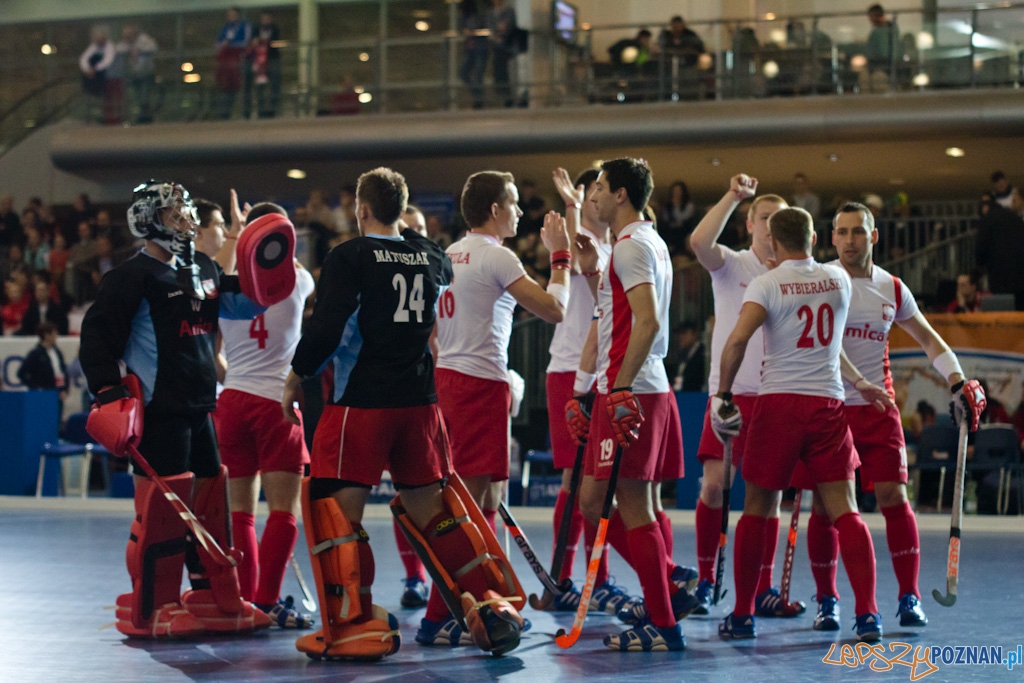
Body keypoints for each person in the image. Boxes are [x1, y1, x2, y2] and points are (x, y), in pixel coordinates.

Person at [282, 167, 528, 660]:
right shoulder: (430, 257)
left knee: (338, 517)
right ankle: (487, 603)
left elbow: (329, 328)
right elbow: (418, 249)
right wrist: (400, 226)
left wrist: (296, 376)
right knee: (437, 517)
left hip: (362, 402)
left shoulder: (349, 256)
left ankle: (353, 624)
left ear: (361, 209)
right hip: (420, 404)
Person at [79, 180, 273, 639]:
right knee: (164, 511)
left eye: (184, 212)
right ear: (147, 222)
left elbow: (247, 300)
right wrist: (109, 396)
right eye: (172, 215)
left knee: (210, 503)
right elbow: (97, 340)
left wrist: (260, 253)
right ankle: (154, 605)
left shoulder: (202, 267)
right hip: (159, 411)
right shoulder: (130, 278)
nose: (184, 221)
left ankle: (214, 597)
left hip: (202, 408)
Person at [794, 201, 987, 633]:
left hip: (879, 412)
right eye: (841, 232)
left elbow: (930, 340)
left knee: (895, 500)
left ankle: (909, 596)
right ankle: (828, 599)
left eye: (857, 232)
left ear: (874, 236)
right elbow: (818, 346)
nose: (848, 240)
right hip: (830, 409)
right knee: (824, 510)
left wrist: (958, 381)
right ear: (831, 238)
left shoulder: (893, 288)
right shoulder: (819, 280)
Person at [711, 206, 894, 642]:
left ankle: (741, 615)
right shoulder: (838, 281)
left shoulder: (766, 283)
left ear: (772, 242)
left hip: (779, 405)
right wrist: (861, 381)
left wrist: (722, 396)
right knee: (845, 510)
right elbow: (830, 346)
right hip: (828, 404)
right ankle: (868, 614)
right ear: (816, 240)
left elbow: (737, 342)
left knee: (757, 508)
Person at [425, 170, 582, 644]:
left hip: (448, 380)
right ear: (494, 210)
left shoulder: (446, 254)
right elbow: (554, 309)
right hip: (477, 386)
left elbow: (431, 334)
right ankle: (440, 617)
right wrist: (560, 254)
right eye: (513, 203)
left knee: (483, 503)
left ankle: (495, 604)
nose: (518, 211)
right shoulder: (496, 256)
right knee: (468, 508)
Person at [566, 158, 697, 652]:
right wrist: (587, 390)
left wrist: (617, 390)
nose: (592, 196)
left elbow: (647, 322)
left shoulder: (633, 246)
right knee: (593, 501)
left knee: (633, 504)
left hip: (633, 386)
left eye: (598, 187)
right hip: (630, 383)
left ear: (620, 194)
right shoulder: (637, 243)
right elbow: (615, 318)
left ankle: (663, 620)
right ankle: (666, 585)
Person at [688, 176, 800, 616]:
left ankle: (763, 588)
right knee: (714, 488)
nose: (771, 227)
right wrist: (733, 195)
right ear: (750, 223)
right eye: (765, 218)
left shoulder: (798, 275)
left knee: (766, 498)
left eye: (779, 220)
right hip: (731, 396)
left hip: (775, 398)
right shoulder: (731, 265)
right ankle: (705, 581)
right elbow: (698, 240)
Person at [216, 201, 316, 629]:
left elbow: (223, 268)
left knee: (240, 510)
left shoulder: (224, 285)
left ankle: (244, 601)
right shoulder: (299, 281)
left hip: (233, 398)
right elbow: (290, 269)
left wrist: (237, 236)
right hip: (276, 401)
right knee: (283, 510)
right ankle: (269, 600)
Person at [541, 167, 614, 612]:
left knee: (597, 482)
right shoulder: (578, 238)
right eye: (592, 193)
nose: (597, 199)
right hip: (571, 367)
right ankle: (567, 576)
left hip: (605, 372)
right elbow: (568, 243)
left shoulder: (622, 245)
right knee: (576, 478)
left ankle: (590, 578)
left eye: (603, 190)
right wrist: (570, 203)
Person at [215, 7, 252, 119]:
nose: (231, 17)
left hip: (240, 62)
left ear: (238, 15)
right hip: (227, 66)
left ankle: (245, 113)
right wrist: (223, 45)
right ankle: (225, 114)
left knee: (243, 88)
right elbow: (217, 43)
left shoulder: (244, 26)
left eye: (233, 14)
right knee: (227, 88)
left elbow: (246, 42)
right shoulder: (225, 28)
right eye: (229, 15)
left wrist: (231, 44)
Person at [118, 25, 158, 124]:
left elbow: (152, 48)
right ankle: (140, 117)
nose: (127, 38)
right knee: (135, 97)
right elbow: (118, 49)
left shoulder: (144, 40)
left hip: (146, 74)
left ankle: (147, 118)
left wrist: (138, 51)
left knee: (144, 96)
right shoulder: (126, 44)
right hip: (133, 75)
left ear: (134, 34)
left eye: (128, 36)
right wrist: (129, 51)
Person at [16, 322, 67, 397]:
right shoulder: (36, 353)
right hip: (43, 394)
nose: (56, 337)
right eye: (54, 335)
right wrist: (36, 388)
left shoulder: (57, 351)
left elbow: (62, 371)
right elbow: (22, 373)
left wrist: (64, 389)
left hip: (58, 393)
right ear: (46, 335)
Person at [79, 25, 116, 124]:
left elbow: (107, 61)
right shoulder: (93, 47)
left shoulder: (109, 47)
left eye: (101, 40)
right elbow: (83, 59)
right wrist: (87, 69)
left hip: (103, 78)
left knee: (101, 99)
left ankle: (101, 119)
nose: (99, 43)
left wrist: (95, 69)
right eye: (97, 40)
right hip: (91, 78)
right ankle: (89, 118)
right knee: (89, 99)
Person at [863, 4, 901, 93]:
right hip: (885, 66)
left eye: (871, 17)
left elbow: (881, 51)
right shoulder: (891, 29)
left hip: (881, 67)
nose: (870, 20)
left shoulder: (882, 32)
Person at [459, 0, 490, 109]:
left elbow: (485, 28)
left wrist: (472, 31)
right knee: (463, 73)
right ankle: (477, 96)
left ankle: (479, 101)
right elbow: (462, 29)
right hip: (470, 49)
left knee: (478, 75)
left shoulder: (479, 14)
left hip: (480, 48)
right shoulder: (464, 17)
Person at [251, 12, 282, 118]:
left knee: (274, 84)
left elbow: (274, 43)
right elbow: (253, 42)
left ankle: (273, 110)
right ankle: (261, 110)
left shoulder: (275, 29)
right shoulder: (256, 29)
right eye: (264, 19)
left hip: (272, 59)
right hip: (260, 61)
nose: (265, 21)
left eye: (267, 18)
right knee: (260, 85)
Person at [488, 0, 518, 108]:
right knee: (499, 74)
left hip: (507, 47)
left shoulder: (508, 11)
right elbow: (492, 28)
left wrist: (500, 31)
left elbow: (507, 26)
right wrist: (497, 32)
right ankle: (503, 98)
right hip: (497, 48)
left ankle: (509, 98)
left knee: (506, 73)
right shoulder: (492, 13)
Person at [659, 181, 695, 256]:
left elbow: (687, 219)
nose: (677, 193)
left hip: (684, 230)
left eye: (679, 191)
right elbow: (666, 220)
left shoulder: (688, 206)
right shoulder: (668, 206)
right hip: (671, 230)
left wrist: (677, 206)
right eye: (675, 191)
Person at [671, 321, 705, 392]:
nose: (680, 337)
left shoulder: (703, 354)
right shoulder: (682, 356)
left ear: (695, 334)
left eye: (684, 333)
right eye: (678, 334)